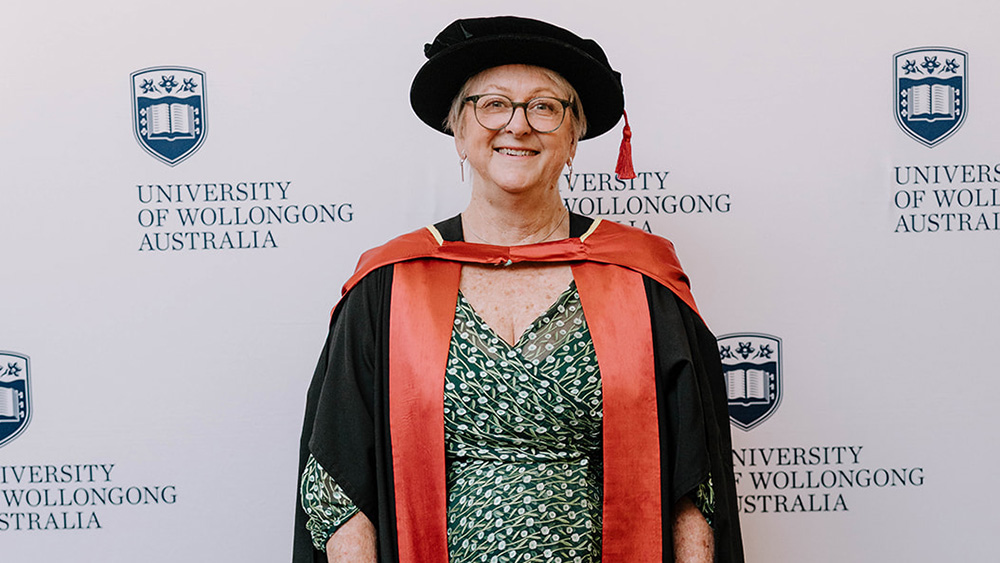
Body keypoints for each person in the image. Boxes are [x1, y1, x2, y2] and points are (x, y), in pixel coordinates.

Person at [294, 16, 744, 563]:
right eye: (492, 104)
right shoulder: (390, 284)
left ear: (575, 136)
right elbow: (337, 482)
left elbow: (695, 483)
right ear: (457, 131)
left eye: (545, 107)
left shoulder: (643, 279)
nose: (518, 125)